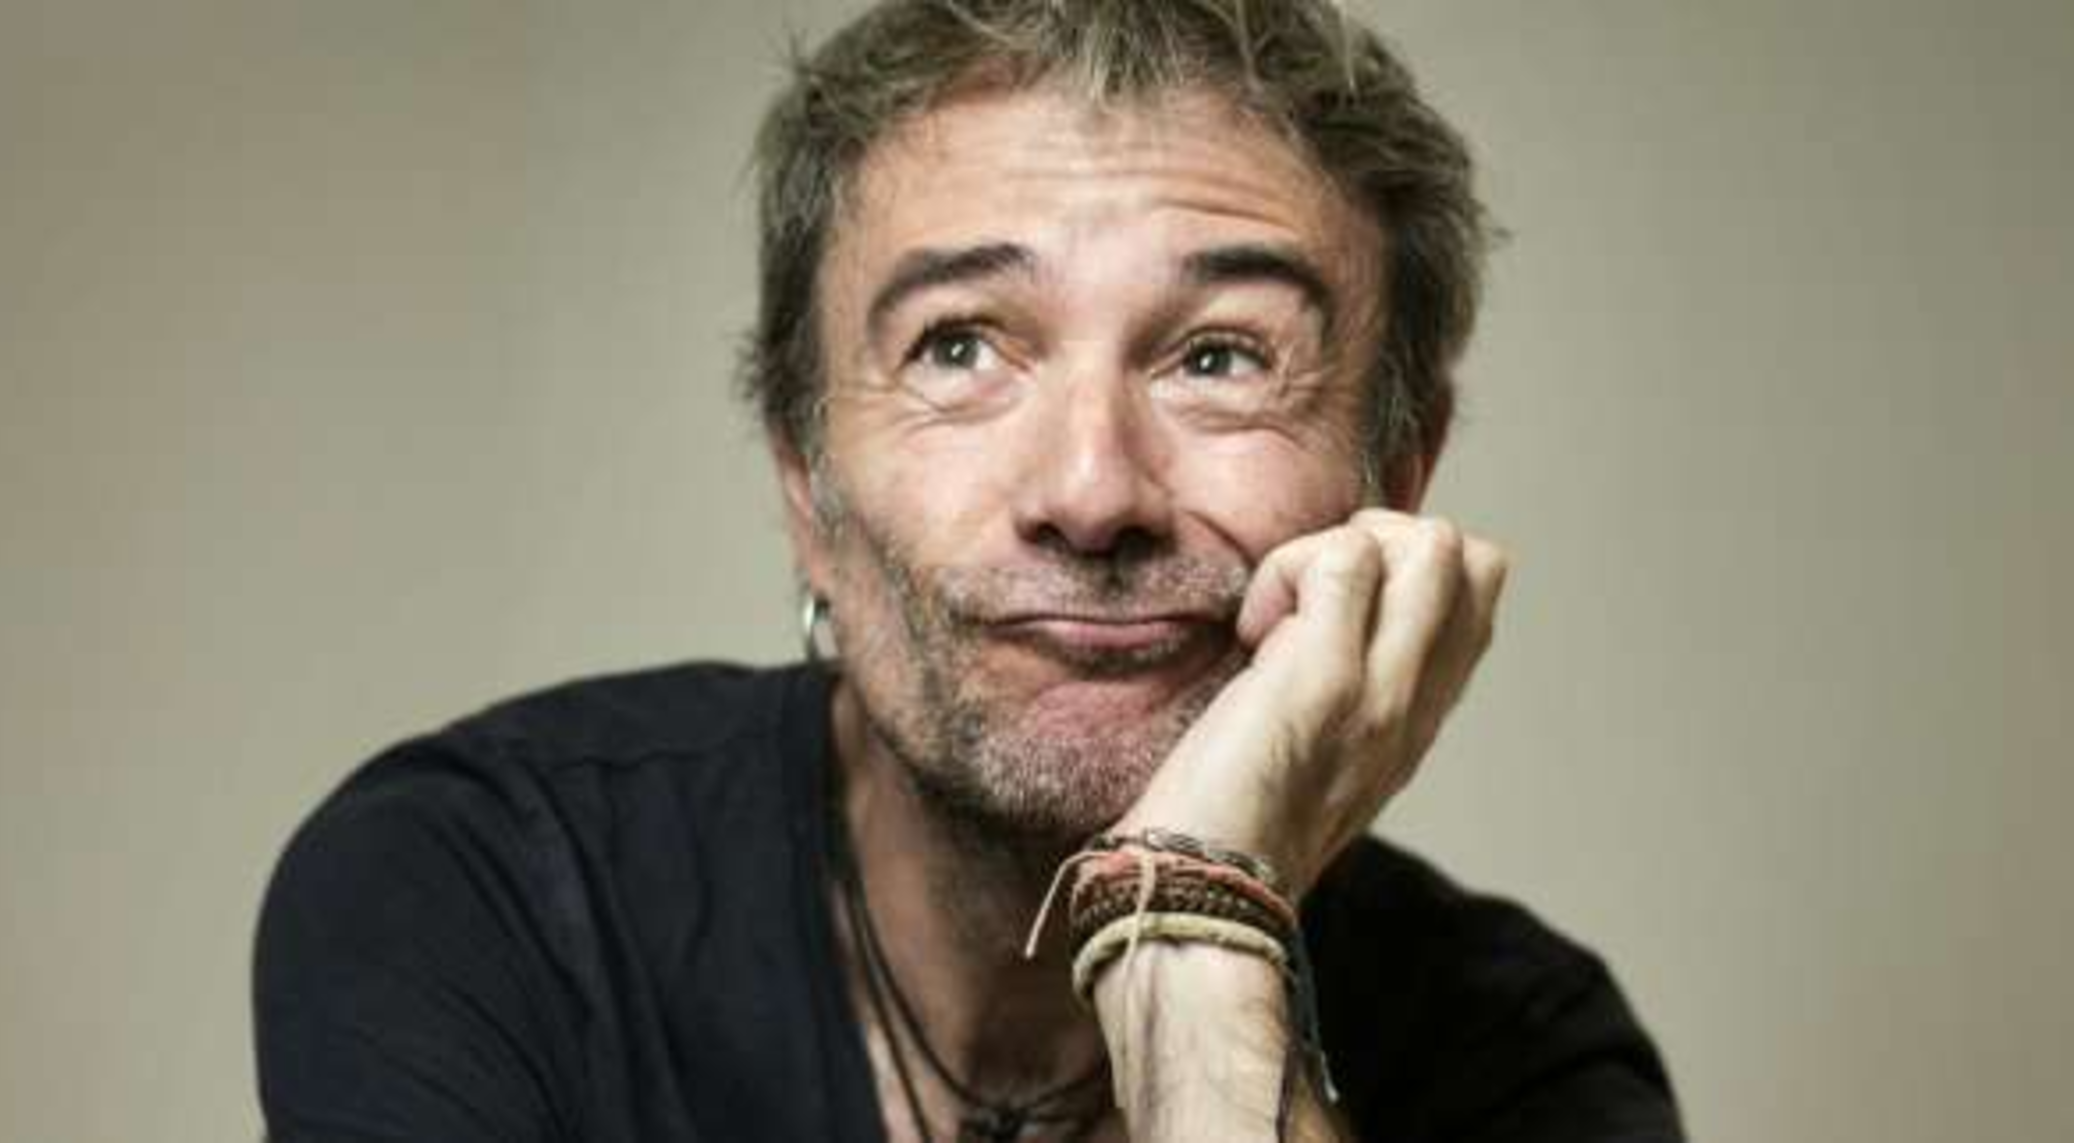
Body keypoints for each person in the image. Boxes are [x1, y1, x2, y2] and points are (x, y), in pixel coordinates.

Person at [253, 2, 1685, 1140]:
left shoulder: (1523, 1059)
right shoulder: (482, 894)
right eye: (960, 345)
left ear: (1397, 484)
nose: (1091, 493)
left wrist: (1196, 940)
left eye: (1218, 358)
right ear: (806, 482)